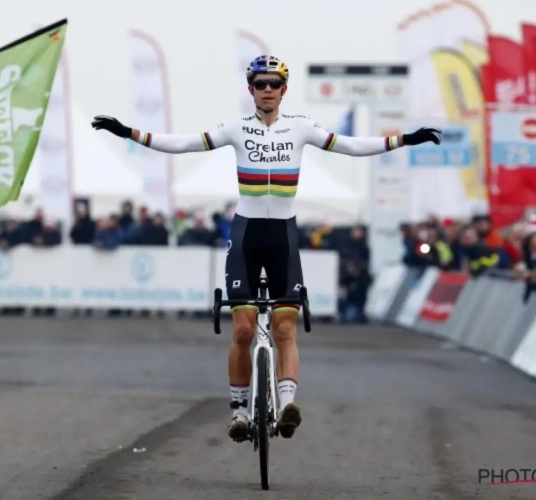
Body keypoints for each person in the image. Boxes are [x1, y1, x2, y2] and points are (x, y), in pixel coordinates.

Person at [91, 55, 441, 443]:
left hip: (284, 238)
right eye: (261, 84)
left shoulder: (301, 127)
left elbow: (350, 146)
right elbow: (185, 143)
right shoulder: (236, 129)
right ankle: (239, 411)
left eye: (275, 84)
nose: (268, 90)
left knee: (285, 326)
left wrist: (404, 139)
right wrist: (130, 133)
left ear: (284, 89)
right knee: (242, 330)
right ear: (251, 90)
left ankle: (287, 404)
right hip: (246, 236)